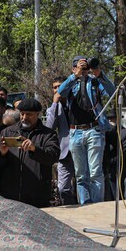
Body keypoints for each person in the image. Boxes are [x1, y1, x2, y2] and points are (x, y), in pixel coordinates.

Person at [57, 56, 115, 204]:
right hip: (75, 131)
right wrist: (75, 76)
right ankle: (85, 204)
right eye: (79, 66)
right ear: (73, 68)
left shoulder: (95, 82)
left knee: (95, 172)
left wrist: (99, 73)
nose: (83, 69)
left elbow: (112, 92)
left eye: (85, 66)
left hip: (93, 130)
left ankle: (97, 205)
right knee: (80, 174)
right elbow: (60, 93)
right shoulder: (70, 83)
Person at [0, 99, 60, 208]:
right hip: (11, 195)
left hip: (37, 196)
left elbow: (53, 157)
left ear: (38, 114)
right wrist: (2, 153)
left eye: (29, 114)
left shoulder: (48, 134)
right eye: (22, 114)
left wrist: (34, 149)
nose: (24, 118)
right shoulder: (8, 132)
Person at [46, 77, 77, 205]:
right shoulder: (52, 109)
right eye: (55, 87)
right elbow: (49, 128)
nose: (57, 89)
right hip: (65, 152)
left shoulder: (77, 102)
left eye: (60, 86)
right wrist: (54, 104)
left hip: (81, 147)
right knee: (63, 188)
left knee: (82, 183)